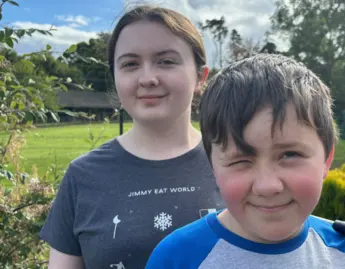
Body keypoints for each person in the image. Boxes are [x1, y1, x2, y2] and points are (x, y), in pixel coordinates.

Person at [145, 54, 345, 269]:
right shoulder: (176, 258)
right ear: (213, 166)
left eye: (290, 155)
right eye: (240, 160)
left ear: (326, 159)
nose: (267, 186)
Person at [39, 5, 224, 269]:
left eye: (166, 61)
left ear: (199, 76)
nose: (147, 78)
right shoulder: (82, 176)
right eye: (130, 64)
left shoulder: (235, 160)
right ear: (114, 77)